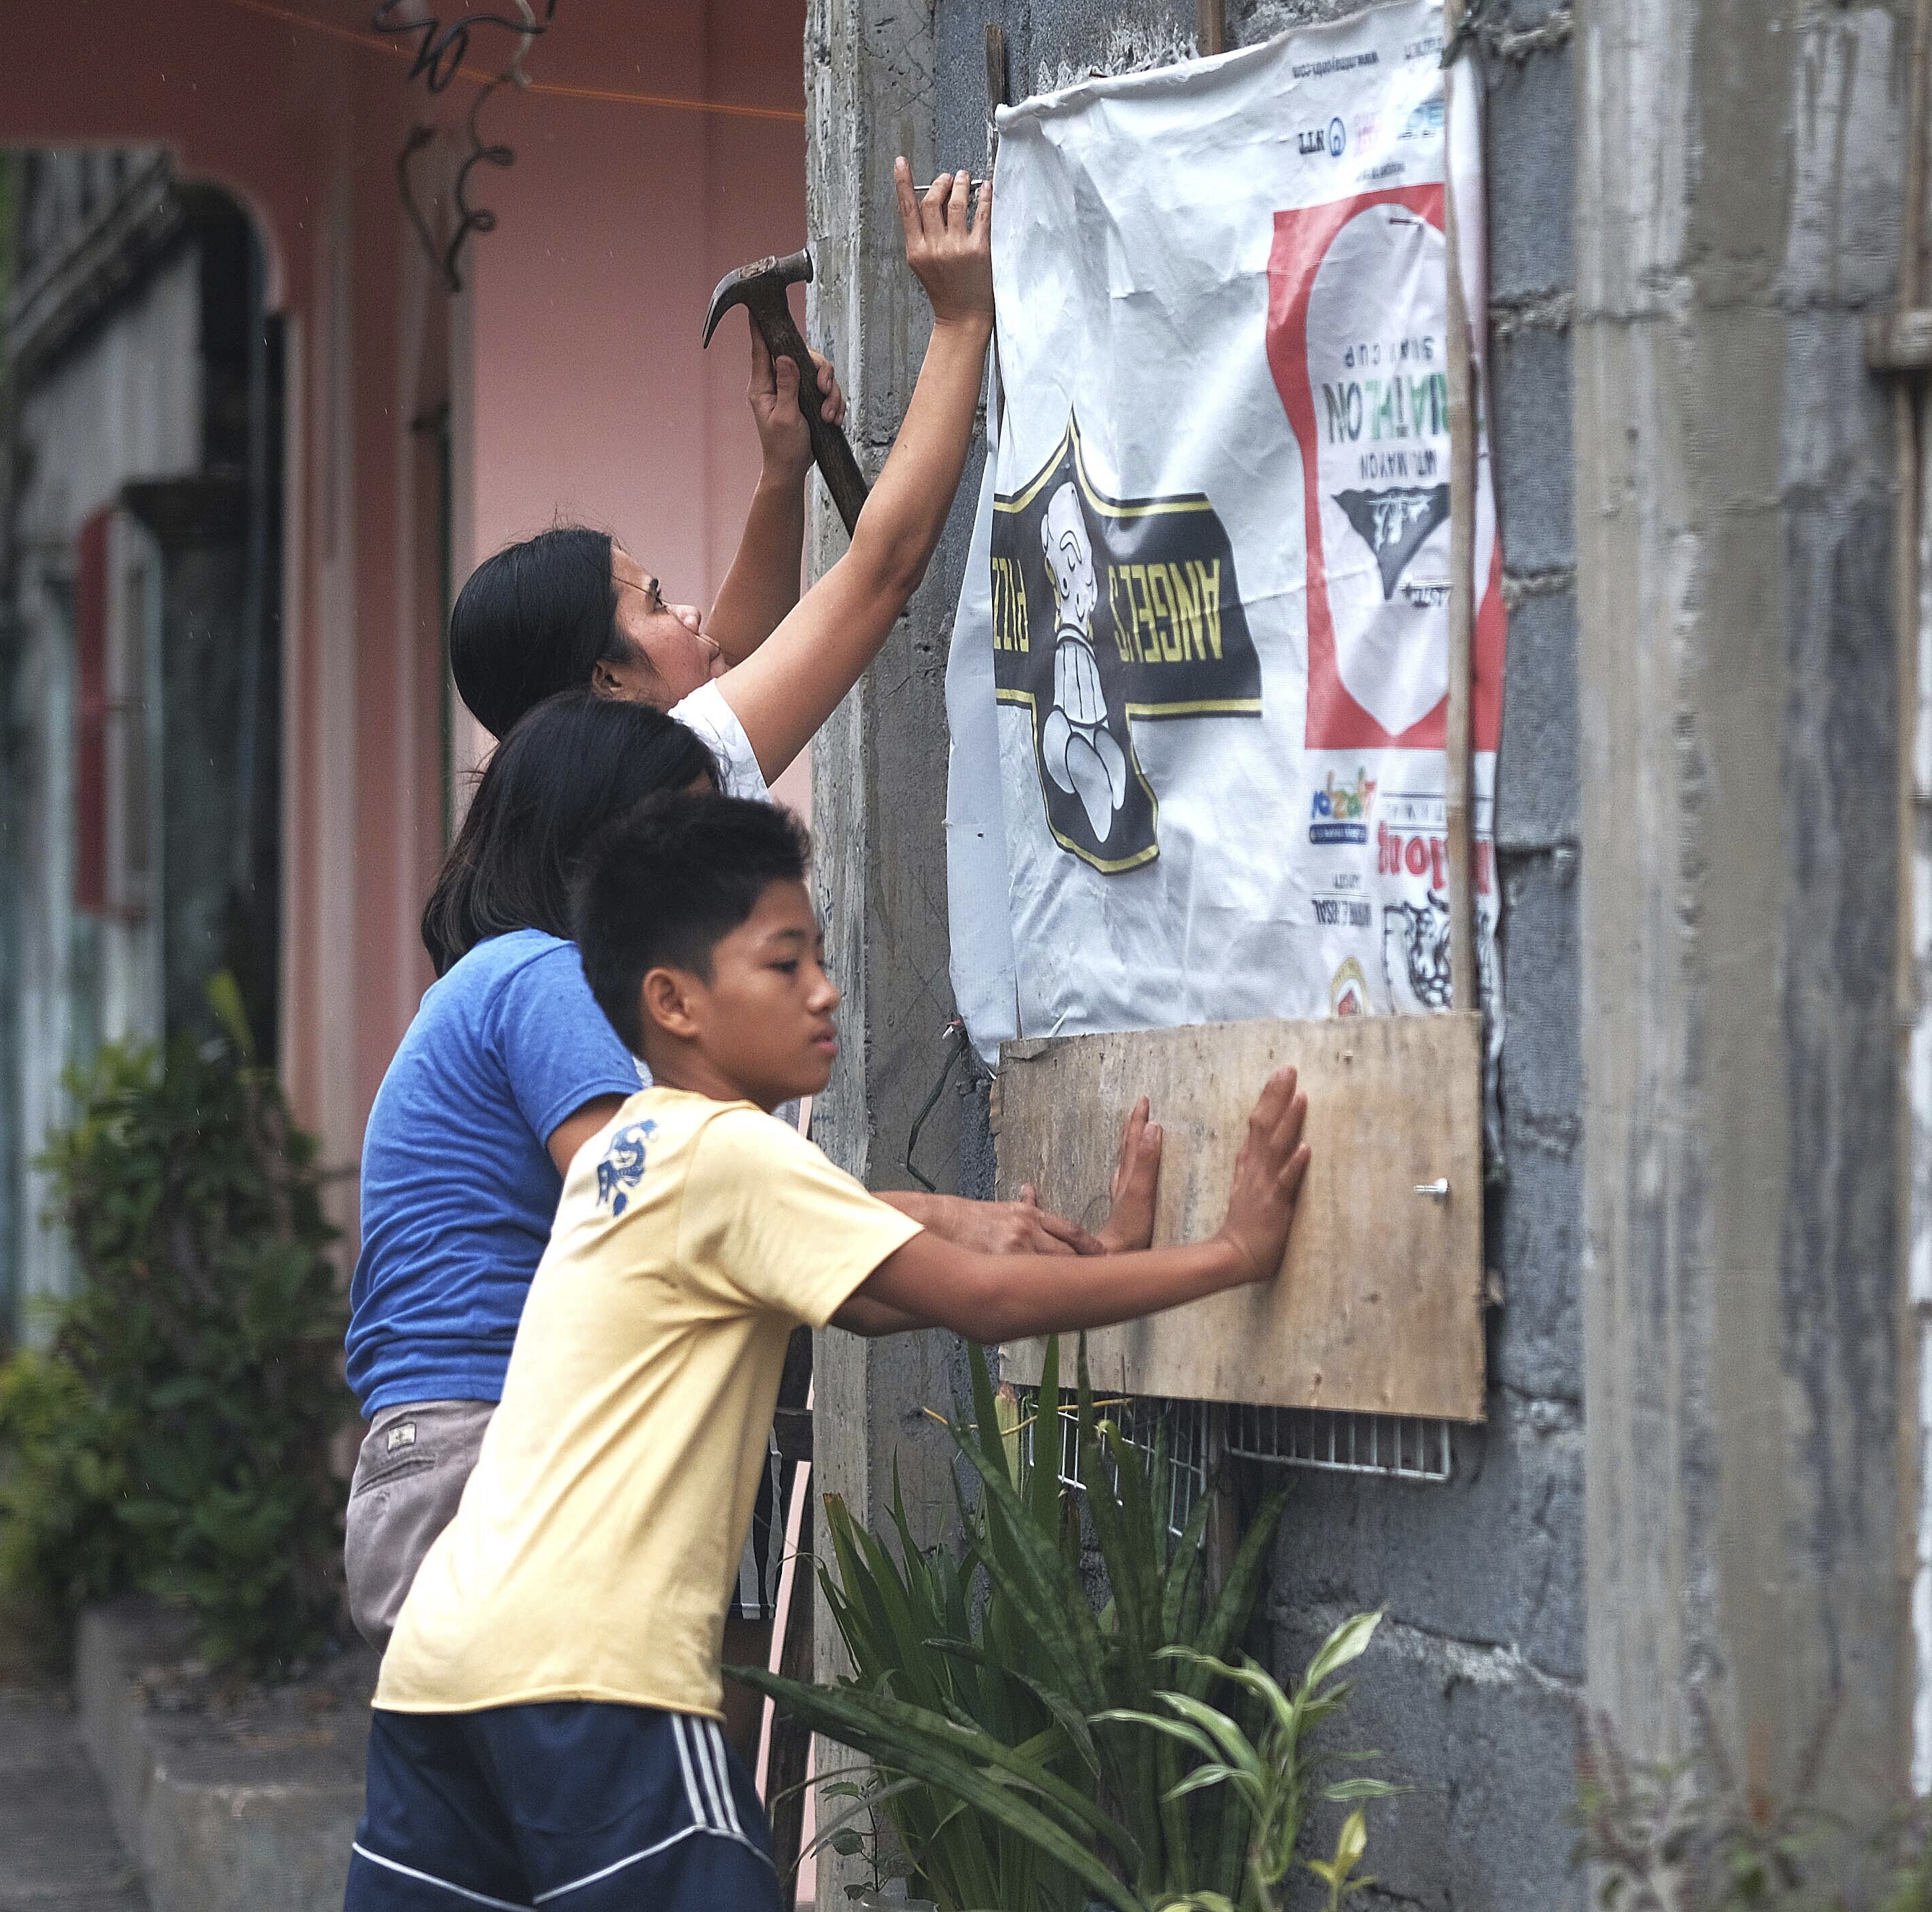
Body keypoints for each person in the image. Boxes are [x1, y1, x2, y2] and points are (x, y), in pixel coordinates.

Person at [346, 795, 1309, 1912]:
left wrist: (1097, 1270)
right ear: (675, 1001)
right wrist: (1234, 1253)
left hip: (444, 1667)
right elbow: (984, 1299)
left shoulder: (639, 1151)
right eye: (785, 962)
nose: (826, 991)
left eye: (823, 957)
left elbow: (887, 1296)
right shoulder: (731, 1152)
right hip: (588, 1672)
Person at [342, 695, 1100, 1651]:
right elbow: (683, 1214)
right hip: (492, 1462)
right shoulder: (541, 980)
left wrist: (970, 1246)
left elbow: (791, 1262)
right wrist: (965, 1231)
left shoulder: (513, 990)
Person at [446, 161, 992, 803]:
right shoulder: (662, 777)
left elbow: (731, 656)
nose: (689, 613)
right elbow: (883, 569)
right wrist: (960, 319)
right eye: (654, 602)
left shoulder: (567, 801)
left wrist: (784, 471)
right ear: (608, 680)